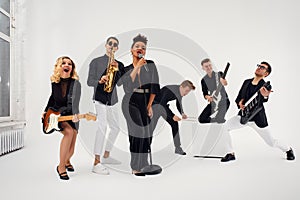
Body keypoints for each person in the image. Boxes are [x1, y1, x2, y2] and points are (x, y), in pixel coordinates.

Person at [220, 61, 295, 162]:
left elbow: (264, 98)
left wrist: (265, 95)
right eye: (259, 66)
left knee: (271, 142)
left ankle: (288, 150)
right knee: (224, 127)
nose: (259, 68)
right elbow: (238, 98)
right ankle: (230, 153)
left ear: (266, 74)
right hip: (243, 116)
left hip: (257, 118)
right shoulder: (246, 82)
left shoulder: (264, 85)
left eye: (263, 67)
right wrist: (240, 103)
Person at [121, 34, 160, 175]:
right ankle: (135, 166)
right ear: (131, 50)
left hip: (145, 100)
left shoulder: (150, 65)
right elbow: (127, 86)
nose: (140, 49)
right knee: (137, 132)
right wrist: (137, 67)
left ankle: (144, 163)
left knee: (147, 133)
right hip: (130, 101)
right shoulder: (126, 69)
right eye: (137, 47)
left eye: (143, 47)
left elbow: (155, 86)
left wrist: (149, 106)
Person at [87, 36, 125, 175]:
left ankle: (106, 156)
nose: (112, 46)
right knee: (102, 126)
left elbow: (120, 83)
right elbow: (89, 81)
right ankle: (96, 162)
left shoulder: (119, 64)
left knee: (116, 128)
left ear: (117, 48)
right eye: (110, 44)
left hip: (113, 99)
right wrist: (100, 80)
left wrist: (118, 70)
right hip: (99, 98)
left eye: (115, 45)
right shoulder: (96, 62)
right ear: (106, 45)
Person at [43, 56, 81, 180]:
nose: (67, 65)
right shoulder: (55, 83)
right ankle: (61, 167)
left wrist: (75, 115)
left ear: (72, 68)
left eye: (69, 64)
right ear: (59, 67)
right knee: (69, 133)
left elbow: (76, 103)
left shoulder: (76, 84)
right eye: (63, 63)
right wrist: (45, 111)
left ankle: (67, 161)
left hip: (71, 114)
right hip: (56, 114)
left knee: (72, 149)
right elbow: (52, 98)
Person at [151, 80, 196, 155]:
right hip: (156, 107)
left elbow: (178, 103)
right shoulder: (170, 90)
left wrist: (182, 113)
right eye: (186, 91)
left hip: (163, 107)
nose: (186, 93)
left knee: (174, 124)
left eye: (188, 92)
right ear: (181, 87)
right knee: (151, 128)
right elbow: (161, 104)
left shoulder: (179, 92)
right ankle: (146, 148)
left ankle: (177, 148)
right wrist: (172, 116)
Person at [198, 58, 230, 123]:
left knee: (220, 120)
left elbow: (225, 83)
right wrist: (208, 97)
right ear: (203, 68)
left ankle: (219, 118)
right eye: (206, 66)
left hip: (224, 102)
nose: (209, 67)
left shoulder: (219, 74)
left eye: (210, 65)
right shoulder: (203, 80)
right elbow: (205, 94)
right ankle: (217, 118)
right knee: (202, 119)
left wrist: (223, 82)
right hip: (214, 102)